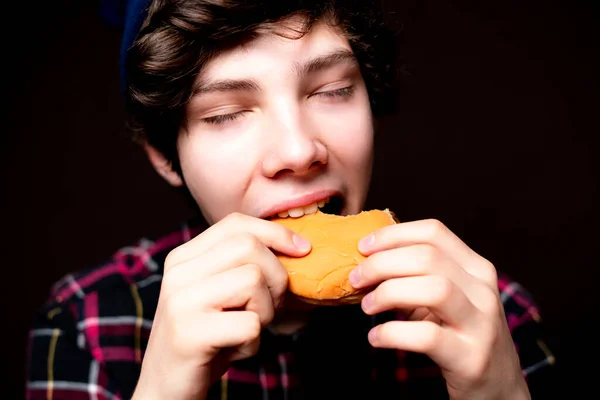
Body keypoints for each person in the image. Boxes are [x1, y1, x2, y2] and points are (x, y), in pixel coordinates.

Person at [26, 0, 556, 399]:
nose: (299, 150)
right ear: (165, 156)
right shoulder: (89, 325)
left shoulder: (491, 313)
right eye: (224, 113)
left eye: (331, 90)